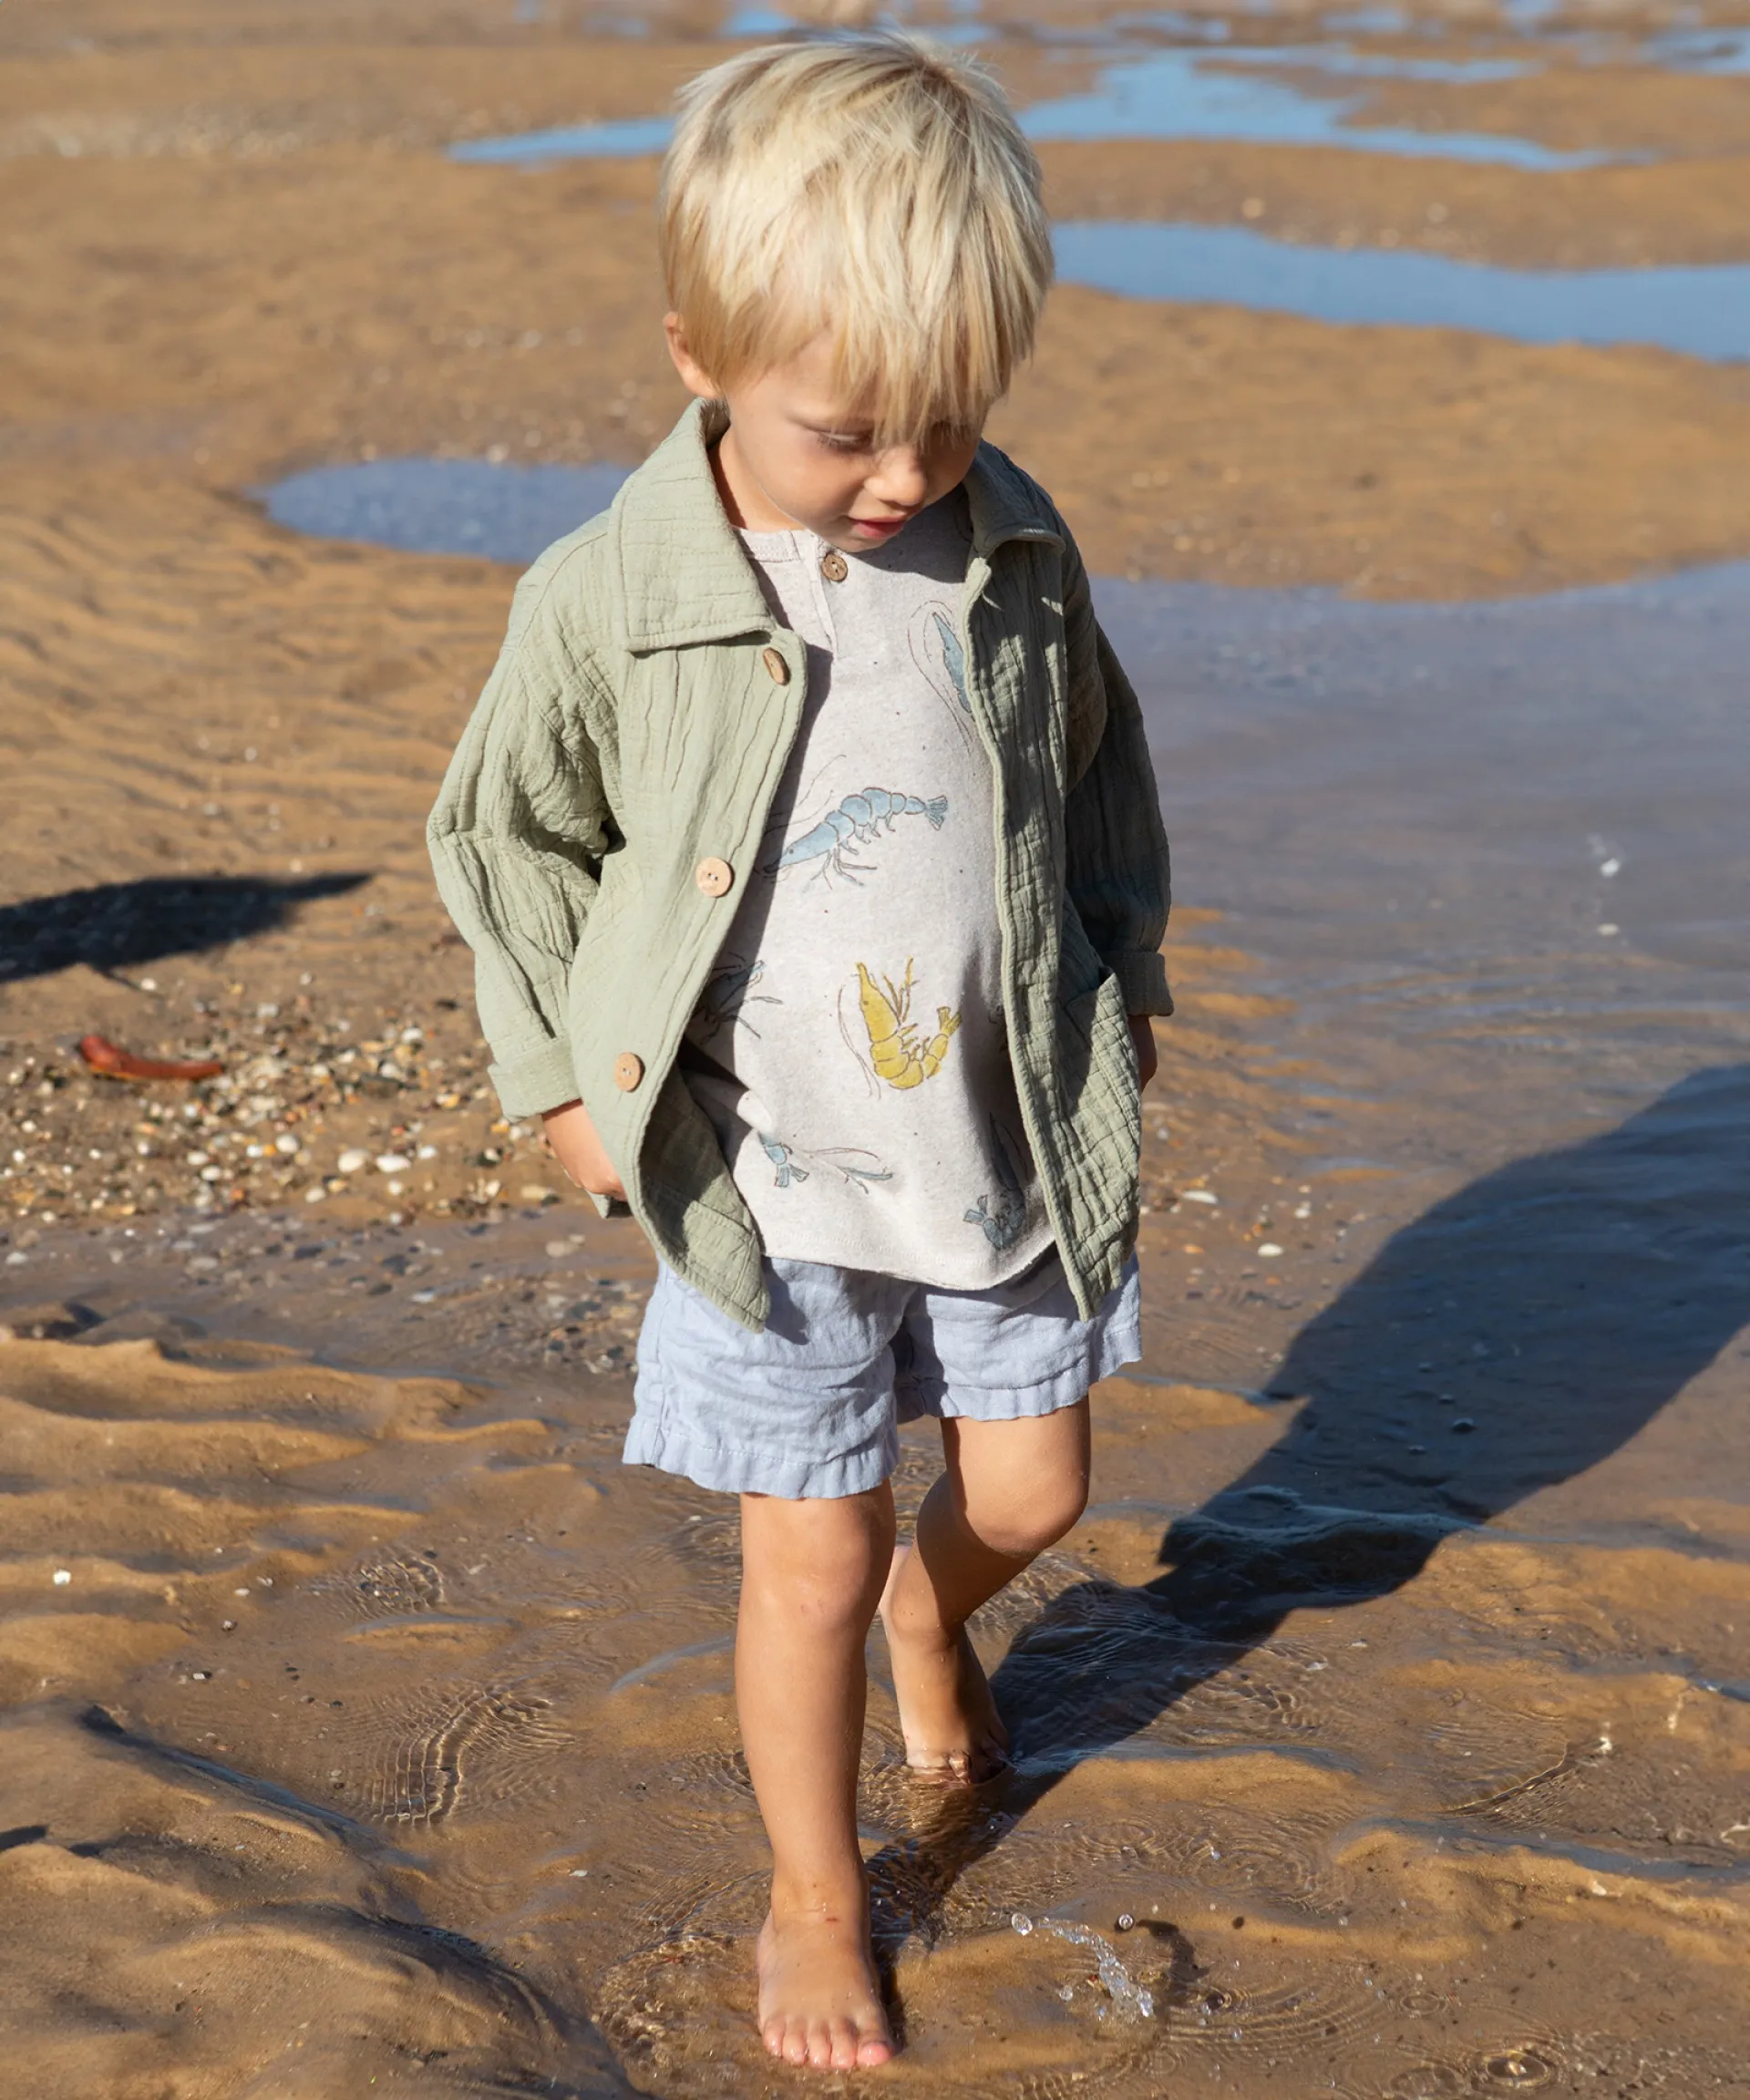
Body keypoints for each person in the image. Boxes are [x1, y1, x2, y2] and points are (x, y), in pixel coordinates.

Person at [427, 31, 1171, 2074]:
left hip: (991, 1140)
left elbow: (1097, 795)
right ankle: (815, 1892)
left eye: (949, 415)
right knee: (811, 1547)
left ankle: (953, 1612)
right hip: (764, 1182)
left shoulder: (1010, 553)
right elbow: (503, 834)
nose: (906, 472)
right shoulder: (619, 597)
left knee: (1034, 1482)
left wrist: (1124, 993)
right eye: (850, 428)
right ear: (697, 353)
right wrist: (561, 1077)